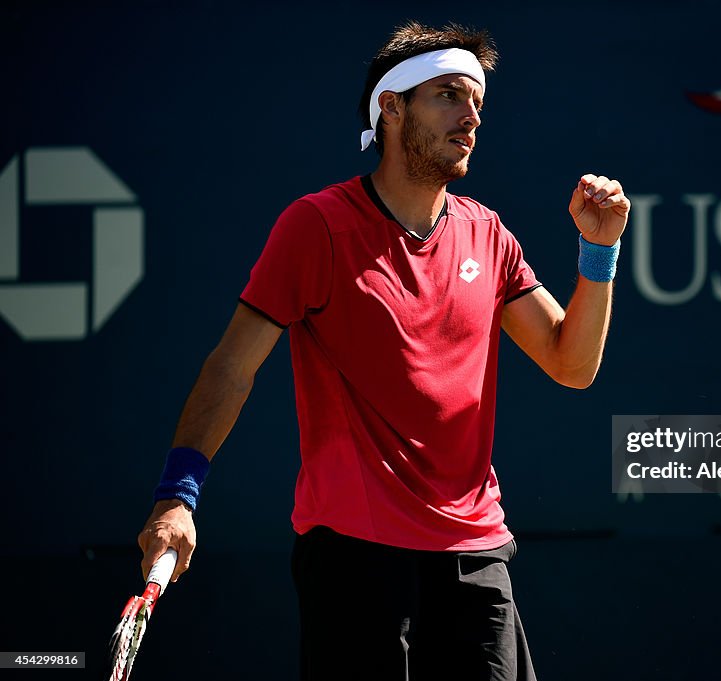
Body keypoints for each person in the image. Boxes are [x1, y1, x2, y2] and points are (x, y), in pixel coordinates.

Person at [136, 20, 629, 681]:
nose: (471, 116)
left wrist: (598, 254)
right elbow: (232, 366)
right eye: (449, 95)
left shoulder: (489, 234)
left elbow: (572, 364)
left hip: (476, 550)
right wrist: (178, 495)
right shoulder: (316, 226)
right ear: (390, 108)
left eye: (478, 101)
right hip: (355, 557)